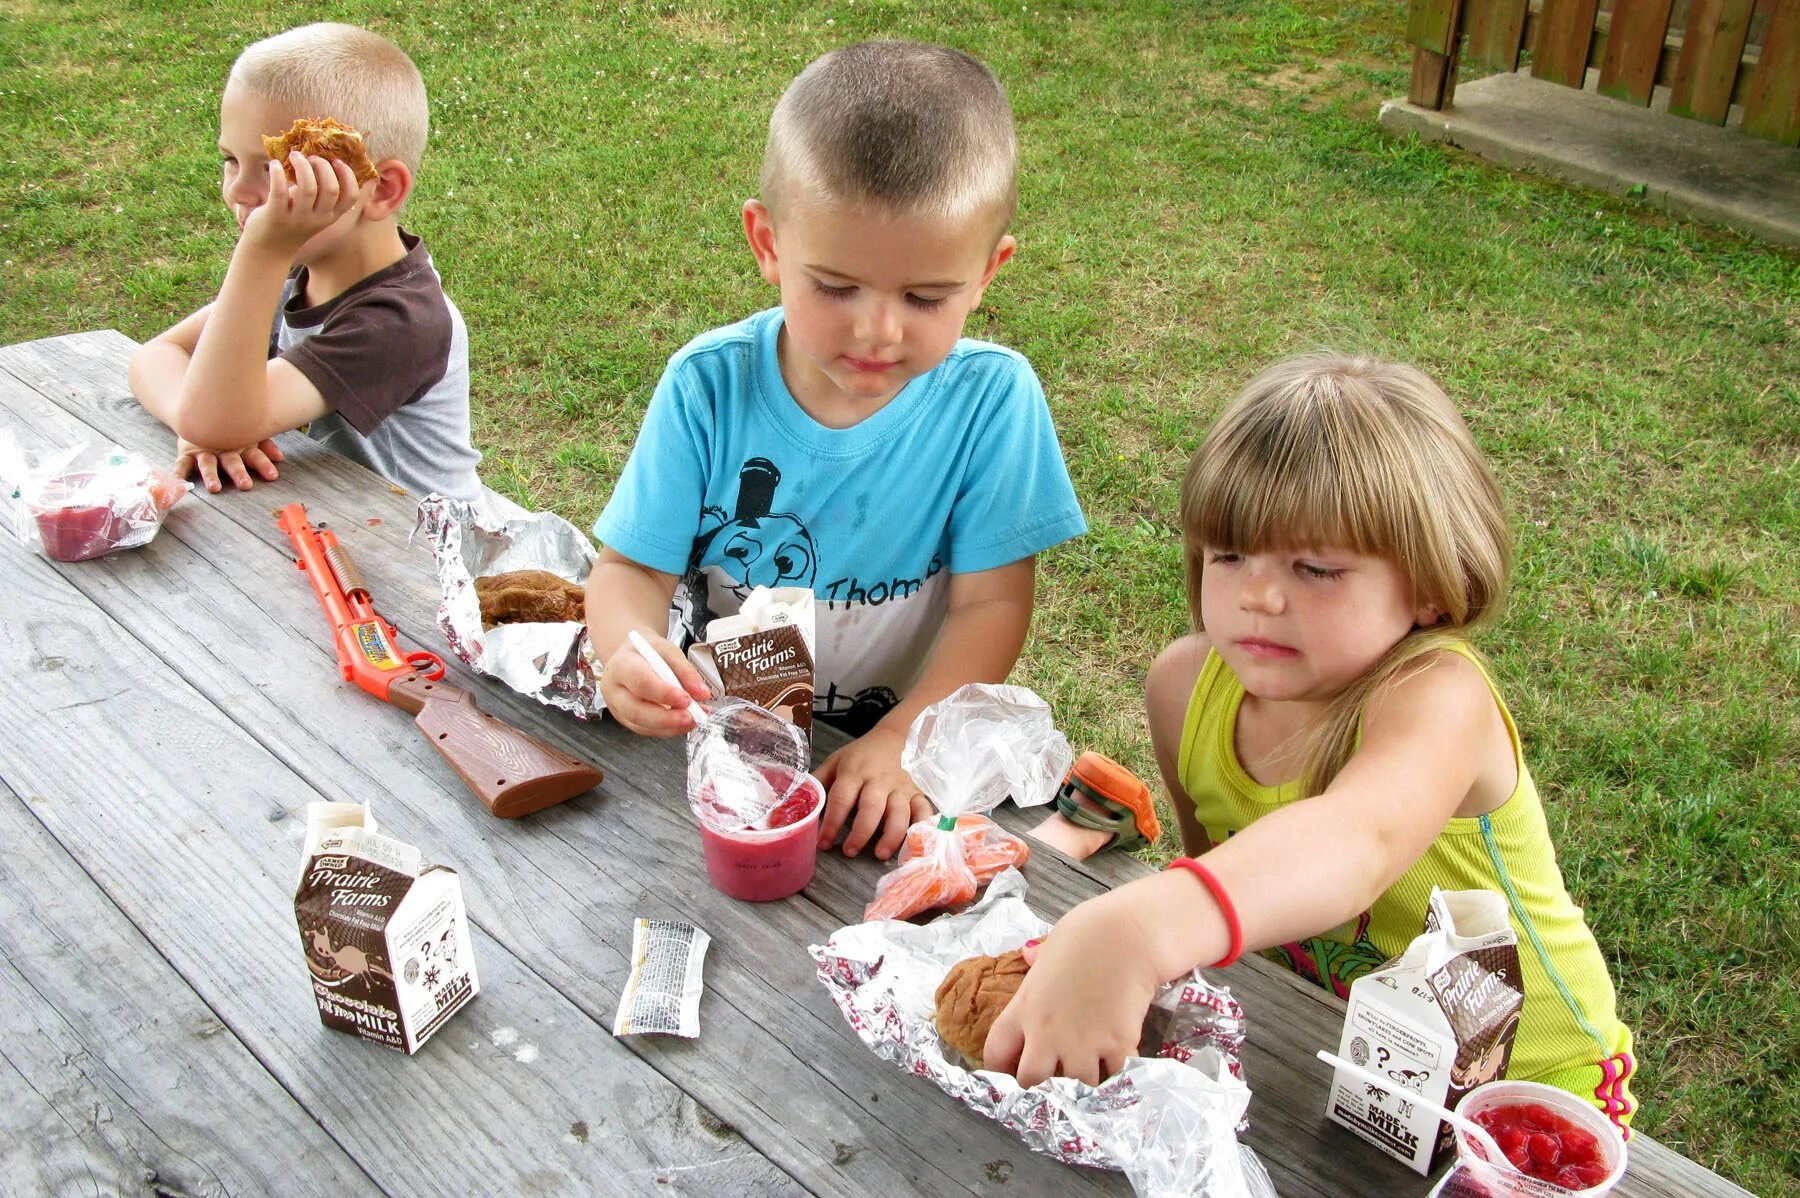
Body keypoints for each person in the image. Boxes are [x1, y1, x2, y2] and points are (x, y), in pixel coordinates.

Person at [984, 356, 1636, 1134]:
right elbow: (1232, 886)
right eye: (1229, 555)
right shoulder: (1185, 689)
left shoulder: (1439, 696)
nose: (1258, 594)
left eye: (1317, 567)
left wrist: (1134, 926)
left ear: (1432, 582)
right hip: (1329, 1053)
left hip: (1523, 1088)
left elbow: (1355, 842)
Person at [586, 41, 1086, 860]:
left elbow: (990, 607)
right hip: (725, 744)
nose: (877, 331)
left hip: (894, 750)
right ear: (767, 242)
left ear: (988, 272)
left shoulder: (991, 403)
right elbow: (632, 571)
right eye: (836, 287)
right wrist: (628, 653)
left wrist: (903, 741)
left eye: (926, 297)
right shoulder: (707, 387)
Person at [128, 22, 482, 502]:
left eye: (278, 170)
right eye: (232, 159)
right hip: (330, 514)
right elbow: (155, 358)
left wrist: (261, 249)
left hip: (419, 550)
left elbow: (215, 420)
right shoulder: (301, 271)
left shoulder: (401, 322)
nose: (236, 189)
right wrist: (193, 420)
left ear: (380, 189)